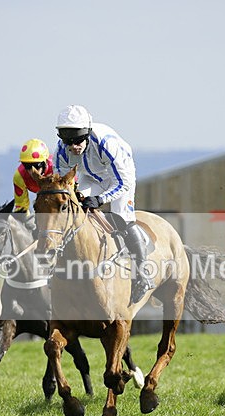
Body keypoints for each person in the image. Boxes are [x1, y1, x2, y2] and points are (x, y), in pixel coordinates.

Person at [53, 104, 154, 304]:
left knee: (121, 217)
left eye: (78, 139)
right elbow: (62, 184)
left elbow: (122, 183)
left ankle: (143, 274)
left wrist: (100, 199)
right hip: (91, 176)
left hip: (120, 178)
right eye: (68, 140)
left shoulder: (106, 143)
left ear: (88, 132)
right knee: (75, 208)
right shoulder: (61, 151)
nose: (74, 146)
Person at [12, 138, 54, 213]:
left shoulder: (56, 168)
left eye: (36, 166)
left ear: (45, 163)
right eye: (27, 166)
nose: (32, 171)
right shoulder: (19, 176)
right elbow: (21, 207)